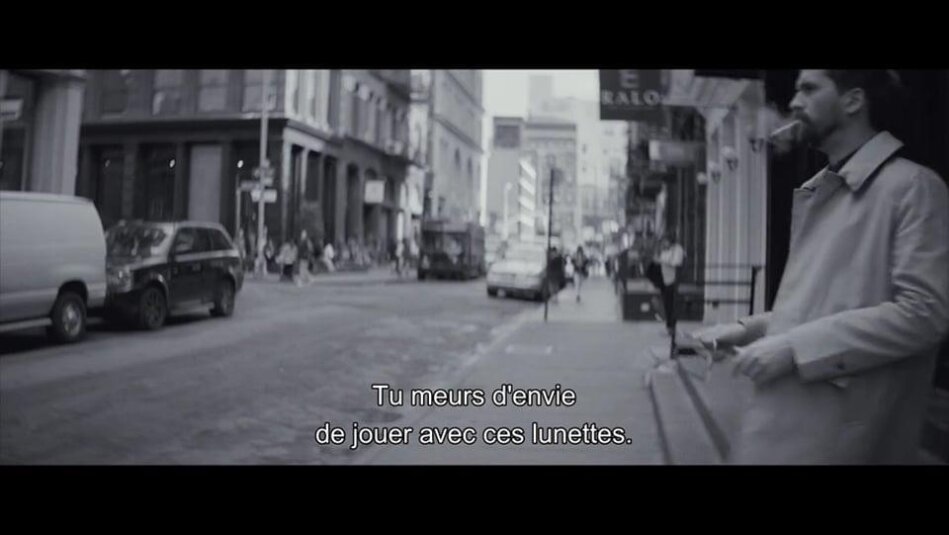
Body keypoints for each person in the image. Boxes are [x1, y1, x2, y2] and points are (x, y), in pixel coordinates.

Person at [693, 70, 949, 464]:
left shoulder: (913, 187)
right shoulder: (822, 188)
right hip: (795, 423)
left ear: (853, 101)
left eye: (809, 89)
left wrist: (792, 347)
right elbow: (828, 304)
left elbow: (924, 314)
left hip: (842, 435)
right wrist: (749, 329)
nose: (794, 102)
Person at [656, 232, 685, 337]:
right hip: (665, 280)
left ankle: (672, 328)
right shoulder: (666, 250)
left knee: (672, 305)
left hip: (673, 280)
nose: (664, 244)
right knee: (667, 304)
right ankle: (668, 327)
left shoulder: (678, 249)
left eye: (665, 241)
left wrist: (663, 260)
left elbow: (677, 263)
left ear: (670, 240)